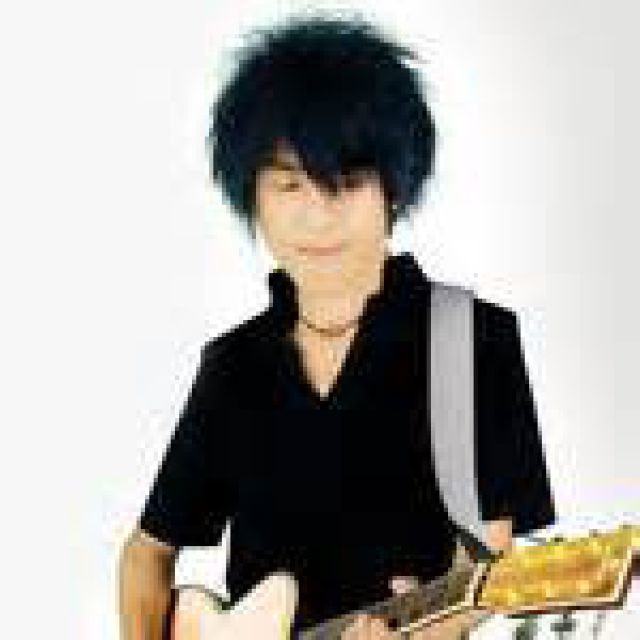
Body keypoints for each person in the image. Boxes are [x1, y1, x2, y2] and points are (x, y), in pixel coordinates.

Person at [118, 15, 556, 639]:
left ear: (394, 193)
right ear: (253, 198)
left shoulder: (472, 341)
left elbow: (486, 565)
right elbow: (147, 553)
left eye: (345, 185)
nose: (316, 218)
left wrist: (431, 631)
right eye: (290, 185)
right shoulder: (234, 364)